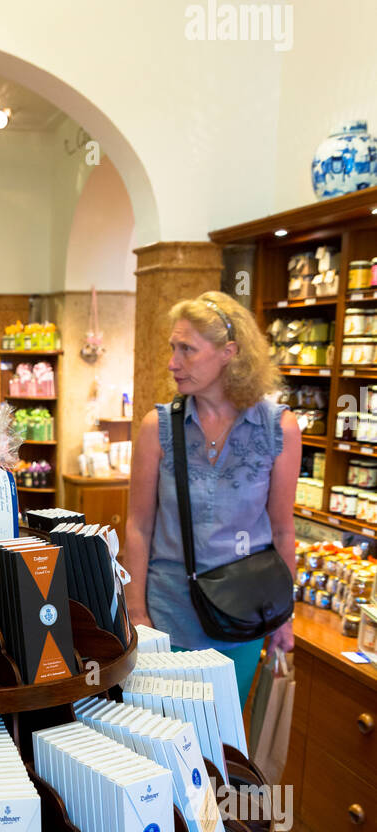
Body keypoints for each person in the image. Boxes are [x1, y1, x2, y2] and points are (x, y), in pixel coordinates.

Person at [124, 290, 300, 707]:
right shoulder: (158, 427)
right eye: (172, 348)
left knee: (220, 743)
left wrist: (284, 615)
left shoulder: (279, 429)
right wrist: (136, 614)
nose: (172, 362)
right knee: (161, 737)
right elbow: (138, 526)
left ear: (229, 353)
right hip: (166, 614)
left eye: (187, 349)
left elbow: (281, 528)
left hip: (242, 617)